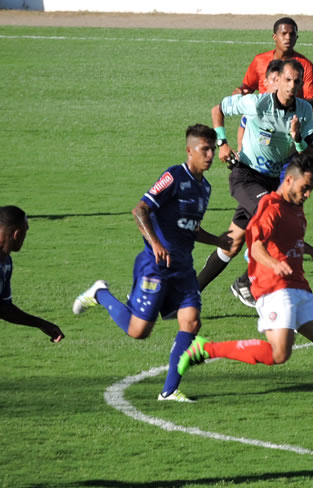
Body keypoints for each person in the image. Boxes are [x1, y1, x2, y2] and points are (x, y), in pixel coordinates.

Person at [178, 154, 313, 421]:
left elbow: (292, 239)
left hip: (299, 286)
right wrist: (274, 264)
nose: (308, 194)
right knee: (279, 354)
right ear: (289, 180)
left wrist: (312, 251)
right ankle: (205, 349)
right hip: (274, 287)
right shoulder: (270, 206)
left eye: (312, 189)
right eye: (305, 187)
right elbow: (256, 246)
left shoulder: (295, 208)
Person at [72, 124, 232, 402]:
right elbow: (141, 210)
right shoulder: (173, 176)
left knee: (191, 322)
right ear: (189, 150)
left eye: (212, 149)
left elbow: (190, 228)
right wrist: (156, 244)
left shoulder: (205, 188)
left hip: (183, 267)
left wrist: (217, 241)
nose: (209, 155)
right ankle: (100, 293)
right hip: (155, 265)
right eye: (204, 149)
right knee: (138, 331)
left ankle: (169, 391)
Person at [197, 59, 313, 308]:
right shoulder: (257, 103)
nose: (291, 86)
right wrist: (222, 143)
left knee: (233, 242)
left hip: (271, 182)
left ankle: (189, 293)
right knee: (275, 218)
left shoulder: (304, 111)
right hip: (246, 176)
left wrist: (297, 140)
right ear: (278, 81)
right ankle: (248, 284)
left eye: (296, 82)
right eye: (287, 80)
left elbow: (309, 154)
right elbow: (217, 110)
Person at [0, 205, 64, 343]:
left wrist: (41, 324)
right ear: (17, 234)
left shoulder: (6, 262)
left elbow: (4, 307)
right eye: (25, 232)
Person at [236, 17, 313, 114]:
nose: (288, 38)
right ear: (275, 37)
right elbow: (246, 88)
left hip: (290, 121)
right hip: (262, 120)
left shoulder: (305, 65)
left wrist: (288, 103)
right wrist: (239, 93)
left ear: (296, 38)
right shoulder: (259, 61)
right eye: (284, 33)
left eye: (292, 34)